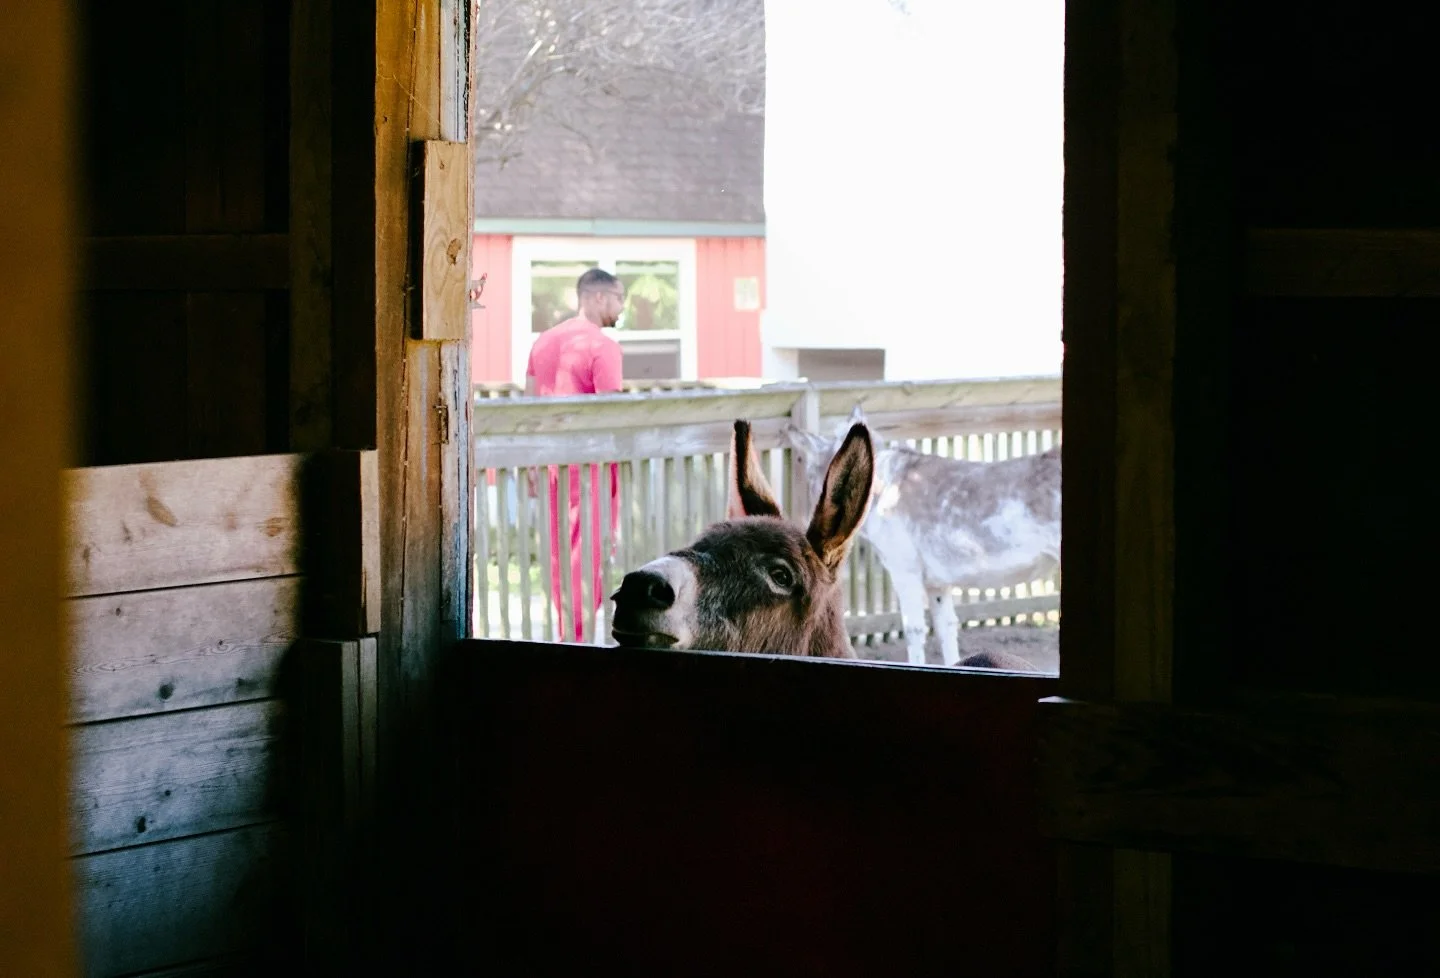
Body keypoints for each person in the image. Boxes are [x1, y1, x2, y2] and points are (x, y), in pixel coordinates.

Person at [525, 268, 626, 641]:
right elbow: (611, 414)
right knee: (588, 557)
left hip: (549, 465)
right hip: (587, 469)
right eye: (619, 298)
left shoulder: (543, 342)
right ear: (598, 297)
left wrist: (531, 462)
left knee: (559, 556)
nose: (621, 307)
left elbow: (528, 405)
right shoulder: (603, 346)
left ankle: (568, 634)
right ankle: (577, 641)